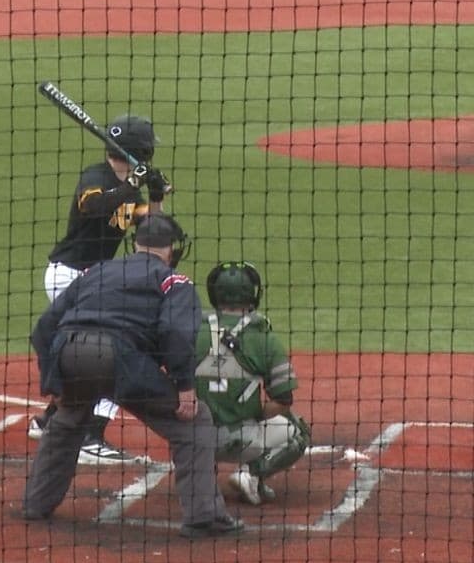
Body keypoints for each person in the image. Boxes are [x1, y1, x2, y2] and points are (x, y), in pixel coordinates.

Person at [22, 213, 243, 538]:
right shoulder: (174, 282)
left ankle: (35, 504)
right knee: (194, 424)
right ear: (172, 249)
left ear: (135, 243)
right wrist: (183, 387)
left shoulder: (96, 271)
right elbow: (176, 334)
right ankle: (203, 517)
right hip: (118, 358)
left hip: (68, 351)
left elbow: (44, 328)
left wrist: (53, 380)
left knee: (68, 419)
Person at [29, 115, 172, 465]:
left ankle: (49, 420)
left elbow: (151, 229)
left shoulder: (129, 187)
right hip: (71, 275)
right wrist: (131, 185)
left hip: (91, 279)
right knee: (113, 352)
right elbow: (91, 205)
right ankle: (89, 435)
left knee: (96, 354)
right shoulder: (97, 177)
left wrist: (153, 193)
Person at [194, 262, 310, 506]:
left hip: (190, 438)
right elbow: (283, 399)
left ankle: (196, 474)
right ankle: (251, 474)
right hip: (235, 439)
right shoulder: (262, 338)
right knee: (296, 430)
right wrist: (252, 414)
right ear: (252, 294)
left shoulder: (192, 329)